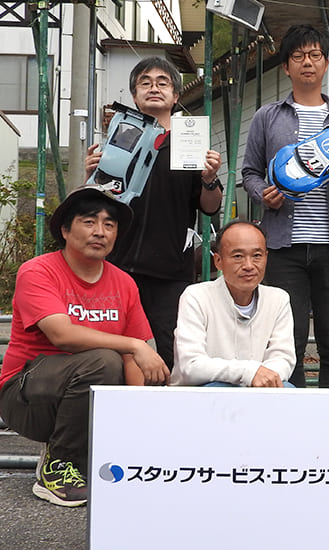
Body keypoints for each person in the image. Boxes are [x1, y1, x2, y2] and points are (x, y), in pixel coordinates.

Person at [0, 186, 169, 507]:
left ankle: (77, 452)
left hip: (84, 396)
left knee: (146, 373)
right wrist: (134, 344)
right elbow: (62, 335)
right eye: (89, 222)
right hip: (25, 398)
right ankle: (59, 465)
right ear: (65, 230)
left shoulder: (124, 282)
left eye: (109, 224)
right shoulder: (38, 271)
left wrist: (137, 418)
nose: (100, 232)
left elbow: (133, 359)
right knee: (104, 361)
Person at [85, 56, 223, 372]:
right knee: (111, 352)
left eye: (163, 82)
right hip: (116, 264)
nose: (154, 88)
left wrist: (209, 178)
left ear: (176, 96)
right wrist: (91, 177)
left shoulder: (190, 143)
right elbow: (96, 201)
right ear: (135, 96)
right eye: (145, 83)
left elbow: (209, 206)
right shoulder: (120, 140)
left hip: (170, 269)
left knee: (170, 353)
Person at [242, 24, 329, 389]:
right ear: (286, 66)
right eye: (298, 56)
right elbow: (249, 172)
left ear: (326, 63)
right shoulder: (266, 116)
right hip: (282, 247)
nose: (307, 62)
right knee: (286, 344)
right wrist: (263, 193)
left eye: (314, 55)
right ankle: (290, 417)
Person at [170, 221, 295, 387]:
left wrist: (260, 378)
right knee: (219, 389)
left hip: (258, 390)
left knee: (285, 389)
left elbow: (283, 358)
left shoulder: (278, 299)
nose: (248, 265)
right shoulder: (196, 296)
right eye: (238, 256)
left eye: (257, 256)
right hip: (205, 390)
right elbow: (191, 365)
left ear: (266, 257)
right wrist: (249, 373)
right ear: (218, 261)